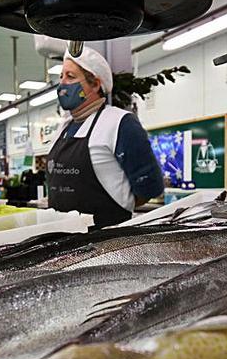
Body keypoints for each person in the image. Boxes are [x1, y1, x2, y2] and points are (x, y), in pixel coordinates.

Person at [48, 47, 164, 228]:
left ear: (95, 84)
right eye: (61, 76)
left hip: (106, 242)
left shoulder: (120, 123)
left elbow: (149, 186)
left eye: (70, 77)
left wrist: (117, 209)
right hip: (59, 240)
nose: (62, 84)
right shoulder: (63, 128)